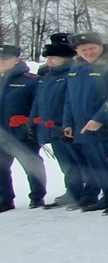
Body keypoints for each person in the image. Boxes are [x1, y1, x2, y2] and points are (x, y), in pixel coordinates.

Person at [62, 32, 108, 213]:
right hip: (83, 126)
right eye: (83, 49)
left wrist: (99, 119)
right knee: (97, 165)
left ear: (101, 46)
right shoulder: (77, 68)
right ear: (76, 50)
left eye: (92, 48)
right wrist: (68, 123)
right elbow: (70, 98)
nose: (88, 52)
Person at [31, 36, 80, 208]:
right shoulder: (47, 76)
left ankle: (77, 193)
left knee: (74, 162)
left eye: (53, 58)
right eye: (48, 58)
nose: (49, 61)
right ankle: (72, 191)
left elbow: (71, 101)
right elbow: (39, 101)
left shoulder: (70, 75)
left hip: (63, 125)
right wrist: (33, 121)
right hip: (50, 127)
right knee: (65, 163)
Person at [0, 44, 45, 211]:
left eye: (5, 59)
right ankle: (5, 200)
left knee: (31, 165)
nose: (1, 62)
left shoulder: (31, 80)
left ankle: (37, 197)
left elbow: (39, 104)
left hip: (23, 132)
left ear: (16, 60)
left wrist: (29, 121)